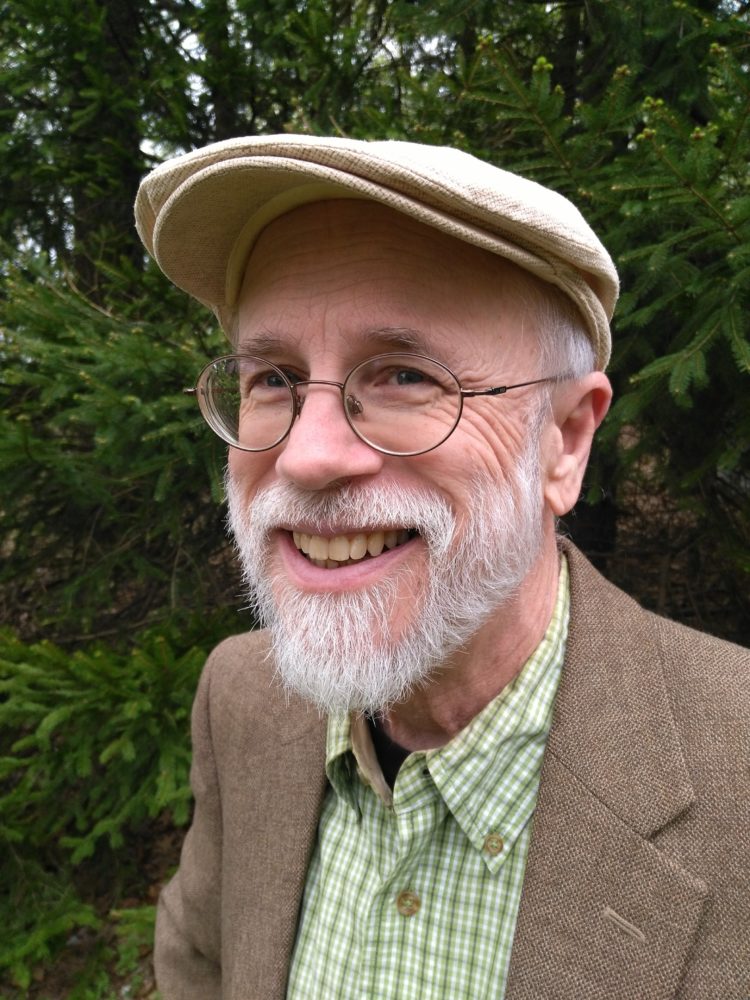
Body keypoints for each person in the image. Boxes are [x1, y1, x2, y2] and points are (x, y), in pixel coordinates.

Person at [134, 135, 749, 999]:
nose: (307, 457)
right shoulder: (240, 700)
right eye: (271, 377)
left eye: (405, 376)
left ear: (565, 441)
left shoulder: (739, 770)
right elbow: (198, 970)